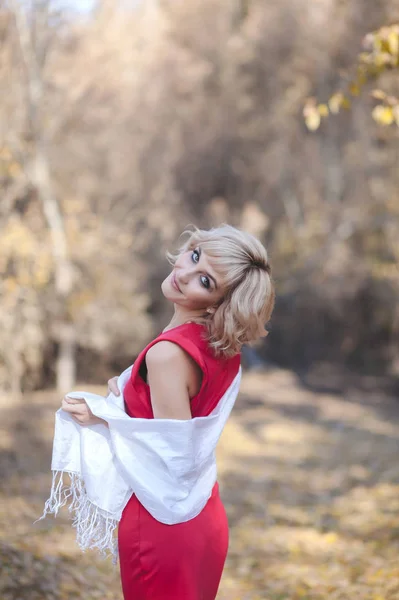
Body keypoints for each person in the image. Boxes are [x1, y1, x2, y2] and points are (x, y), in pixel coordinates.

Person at [60, 223, 275, 600]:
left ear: (217, 303)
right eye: (194, 257)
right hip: (204, 516)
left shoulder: (167, 355)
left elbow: (170, 462)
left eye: (205, 281)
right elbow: (183, 425)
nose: (183, 273)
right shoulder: (223, 351)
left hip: (163, 525)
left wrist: (109, 418)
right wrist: (127, 401)